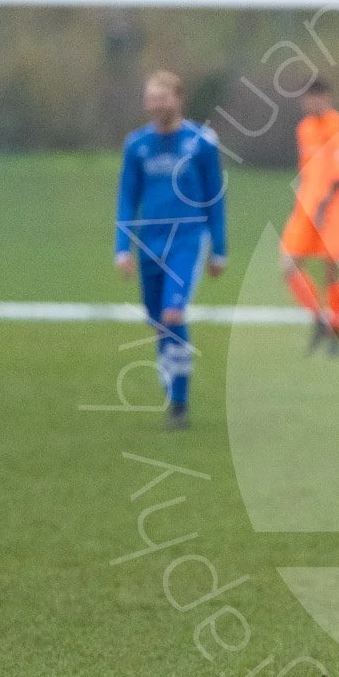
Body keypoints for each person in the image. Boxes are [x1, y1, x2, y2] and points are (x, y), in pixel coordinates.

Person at [115, 70, 227, 430]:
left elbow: (215, 197)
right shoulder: (136, 145)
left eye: (161, 97)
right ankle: (173, 375)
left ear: (178, 99)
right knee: (158, 320)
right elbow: (127, 197)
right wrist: (122, 247)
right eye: (150, 98)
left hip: (188, 239)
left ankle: (179, 405)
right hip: (150, 241)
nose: (154, 104)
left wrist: (219, 248)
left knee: (173, 314)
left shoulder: (202, 142)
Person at [281, 78, 339, 353]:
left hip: (334, 209)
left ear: (327, 98)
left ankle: (336, 331)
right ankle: (319, 318)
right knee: (288, 264)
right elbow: (306, 171)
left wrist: (324, 206)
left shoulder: (338, 127)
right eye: (307, 98)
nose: (311, 103)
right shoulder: (305, 128)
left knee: (331, 270)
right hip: (306, 207)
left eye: (316, 98)